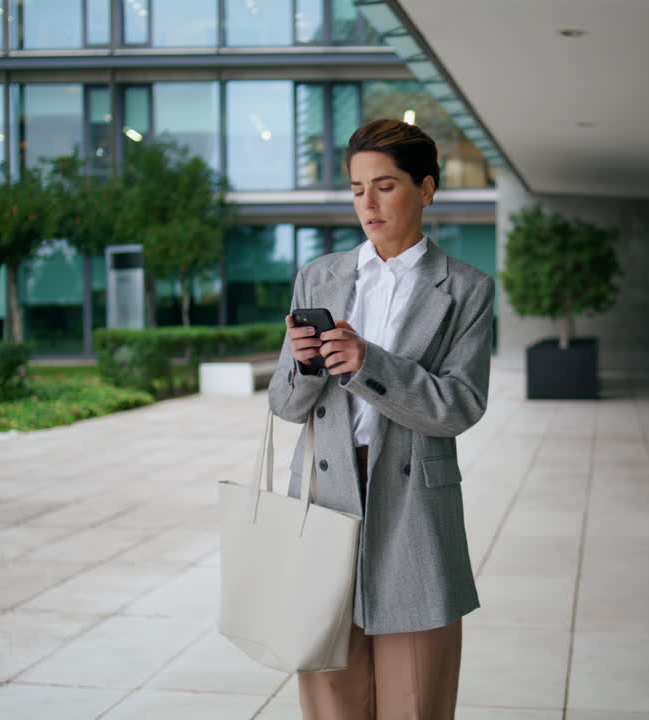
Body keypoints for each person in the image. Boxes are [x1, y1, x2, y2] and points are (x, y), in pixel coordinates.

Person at [268, 118, 495, 719]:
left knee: (415, 697)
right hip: (325, 497)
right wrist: (307, 366)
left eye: (385, 186)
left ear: (426, 189)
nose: (367, 203)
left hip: (412, 500)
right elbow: (284, 405)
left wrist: (370, 363)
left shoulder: (467, 289)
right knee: (331, 694)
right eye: (356, 188)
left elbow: (461, 405)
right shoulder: (318, 276)